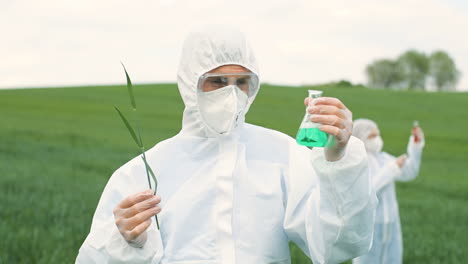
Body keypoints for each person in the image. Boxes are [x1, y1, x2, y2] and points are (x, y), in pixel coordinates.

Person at [76, 25, 377, 264]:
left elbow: (337, 244)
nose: (232, 94)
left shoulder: (282, 155)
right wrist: (126, 243)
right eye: (217, 82)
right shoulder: (144, 172)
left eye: (241, 82)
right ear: (189, 83)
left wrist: (338, 160)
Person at [351, 119, 425, 264]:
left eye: (378, 134)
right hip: (369, 226)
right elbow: (368, 192)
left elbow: (410, 172)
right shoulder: (357, 163)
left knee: (392, 259)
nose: (377, 139)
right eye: (372, 136)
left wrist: (416, 147)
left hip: (391, 223)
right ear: (361, 138)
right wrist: (392, 169)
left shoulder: (383, 158)